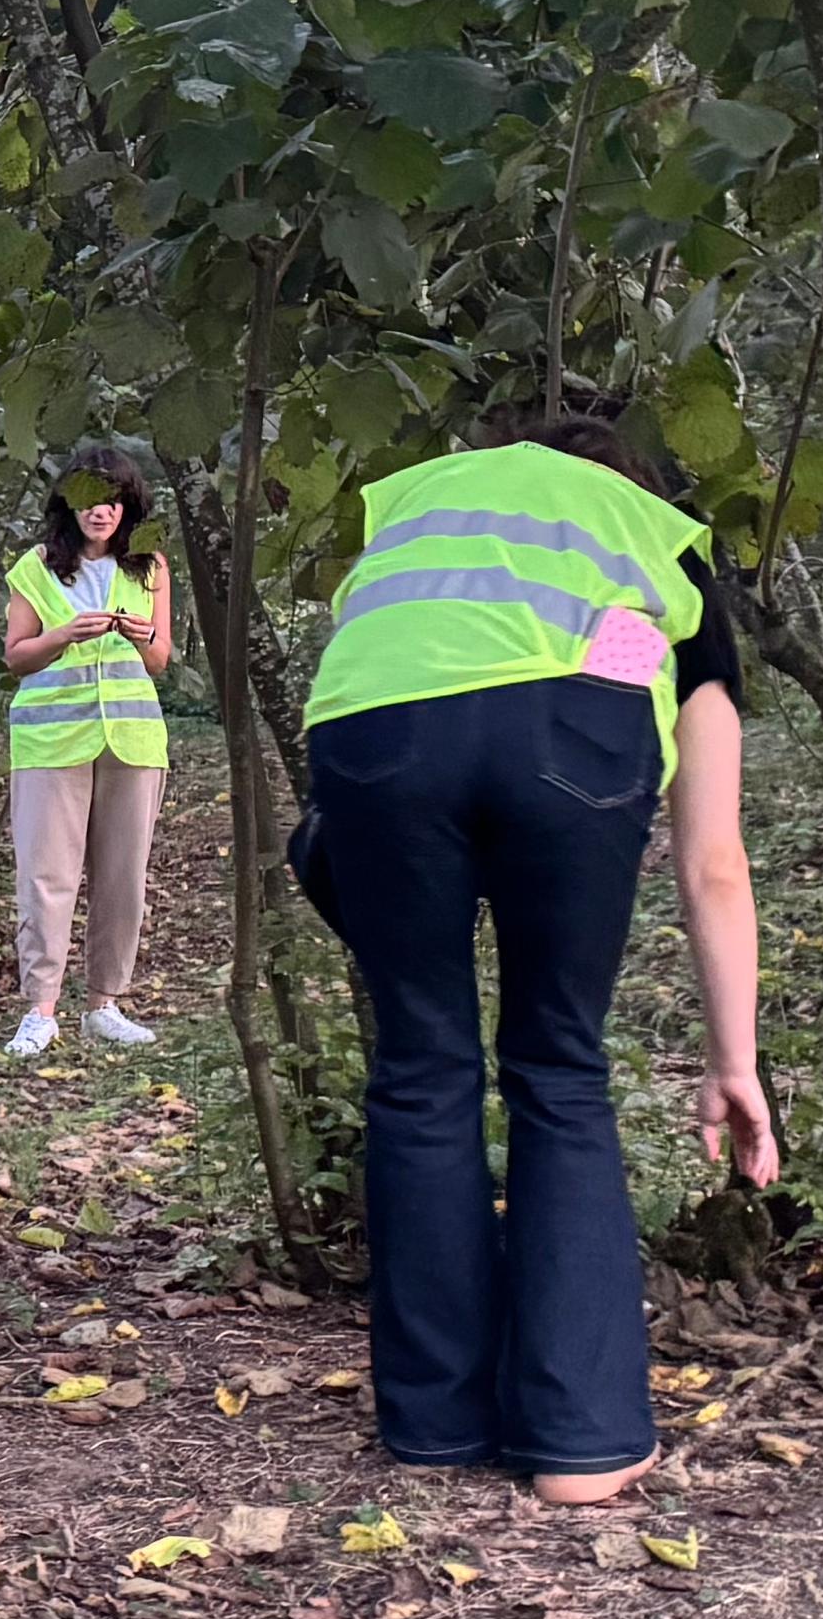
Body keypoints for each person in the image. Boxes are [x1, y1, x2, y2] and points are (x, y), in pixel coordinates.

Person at [287, 399, 776, 1504]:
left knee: (420, 1068)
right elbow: (712, 861)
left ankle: (435, 1428)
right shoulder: (647, 543)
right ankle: (581, 1444)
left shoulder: (426, 516)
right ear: (625, 480)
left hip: (375, 732)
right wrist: (733, 1062)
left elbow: (403, 666)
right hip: (572, 727)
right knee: (558, 1066)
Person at [0, 453, 174, 1063]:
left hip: (133, 740)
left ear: (129, 507)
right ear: (68, 505)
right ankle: (40, 1012)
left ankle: (105, 1005)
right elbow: (15, 656)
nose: (102, 511)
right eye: (90, 500)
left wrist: (140, 635)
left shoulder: (150, 566)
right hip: (51, 741)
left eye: (114, 500)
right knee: (46, 876)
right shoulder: (36, 566)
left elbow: (160, 659)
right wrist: (63, 636)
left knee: (124, 876)